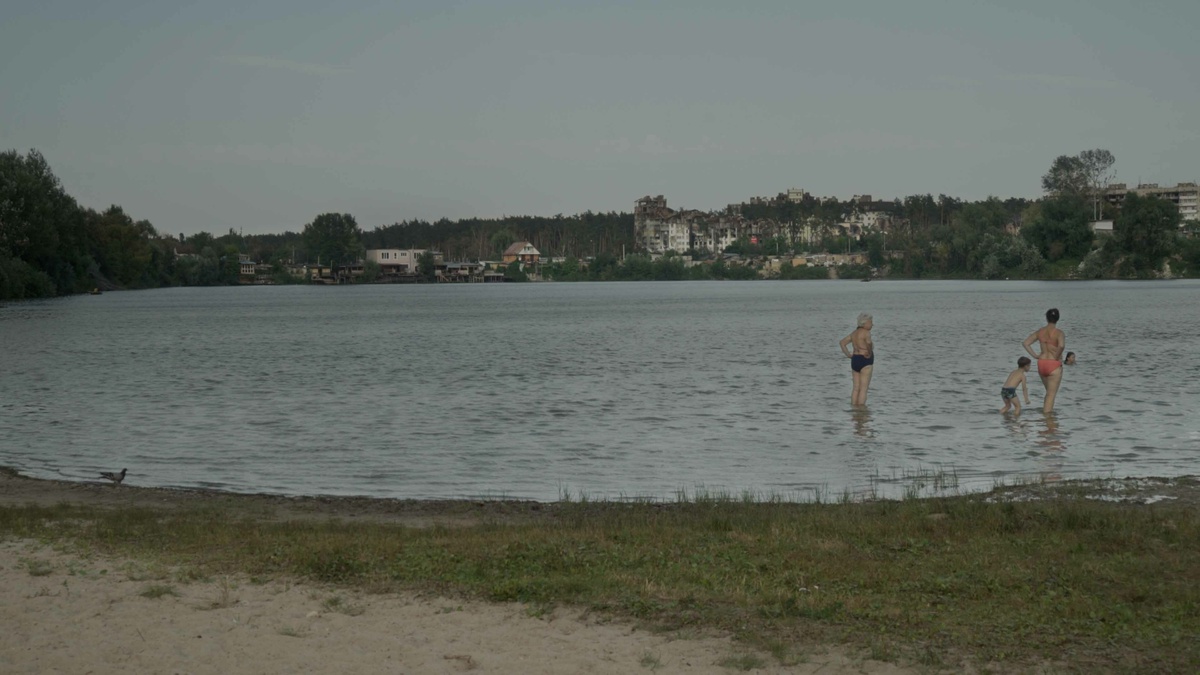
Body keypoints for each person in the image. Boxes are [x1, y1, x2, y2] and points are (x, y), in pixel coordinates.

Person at [1023, 308, 1066, 413]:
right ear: (1058, 319)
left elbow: (1026, 343)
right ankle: (1048, 421)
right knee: (1051, 395)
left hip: (1042, 363)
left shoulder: (1040, 332)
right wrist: (1056, 356)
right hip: (1053, 364)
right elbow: (1061, 345)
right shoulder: (1059, 333)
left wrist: (1035, 355)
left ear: (1046, 318)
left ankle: (1047, 420)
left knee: (1049, 393)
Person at [839, 313, 874, 406]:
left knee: (855, 388)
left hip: (855, 360)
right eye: (871, 322)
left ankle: (854, 408)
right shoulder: (866, 332)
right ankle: (861, 410)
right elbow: (869, 343)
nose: (872, 324)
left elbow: (842, 343)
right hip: (865, 360)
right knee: (863, 388)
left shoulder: (854, 333)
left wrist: (848, 355)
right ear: (865, 323)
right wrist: (870, 352)